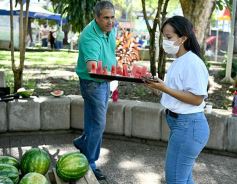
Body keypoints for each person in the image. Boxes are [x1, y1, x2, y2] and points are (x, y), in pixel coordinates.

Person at [143, 16, 210, 184]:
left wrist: (164, 88)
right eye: (164, 37)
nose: (165, 41)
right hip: (182, 126)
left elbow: (196, 99)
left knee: (175, 179)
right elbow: (179, 91)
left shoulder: (192, 63)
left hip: (189, 127)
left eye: (168, 37)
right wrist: (159, 86)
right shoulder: (180, 61)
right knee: (184, 179)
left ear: (183, 38)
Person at [73, 1, 116, 180]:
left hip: (104, 82)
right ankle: (90, 162)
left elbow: (110, 54)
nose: (110, 21)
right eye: (105, 18)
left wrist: (116, 73)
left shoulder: (110, 30)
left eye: (112, 17)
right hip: (93, 83)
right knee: (98, 123)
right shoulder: (90, 36)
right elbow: (92, 67)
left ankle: (83, 142)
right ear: (96, 17)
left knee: (93, 120)